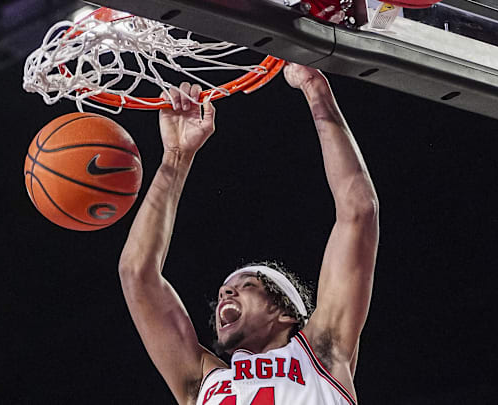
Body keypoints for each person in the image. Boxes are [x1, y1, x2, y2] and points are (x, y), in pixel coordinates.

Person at [118, 63, 379, 405]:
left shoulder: (322, 354)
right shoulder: (201, 381)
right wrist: (175, 160)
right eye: (229, 288)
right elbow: (137, 274)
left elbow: (359, 211)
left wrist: (316, 89)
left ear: (285, 313)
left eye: (247, 286)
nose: (226, 292)